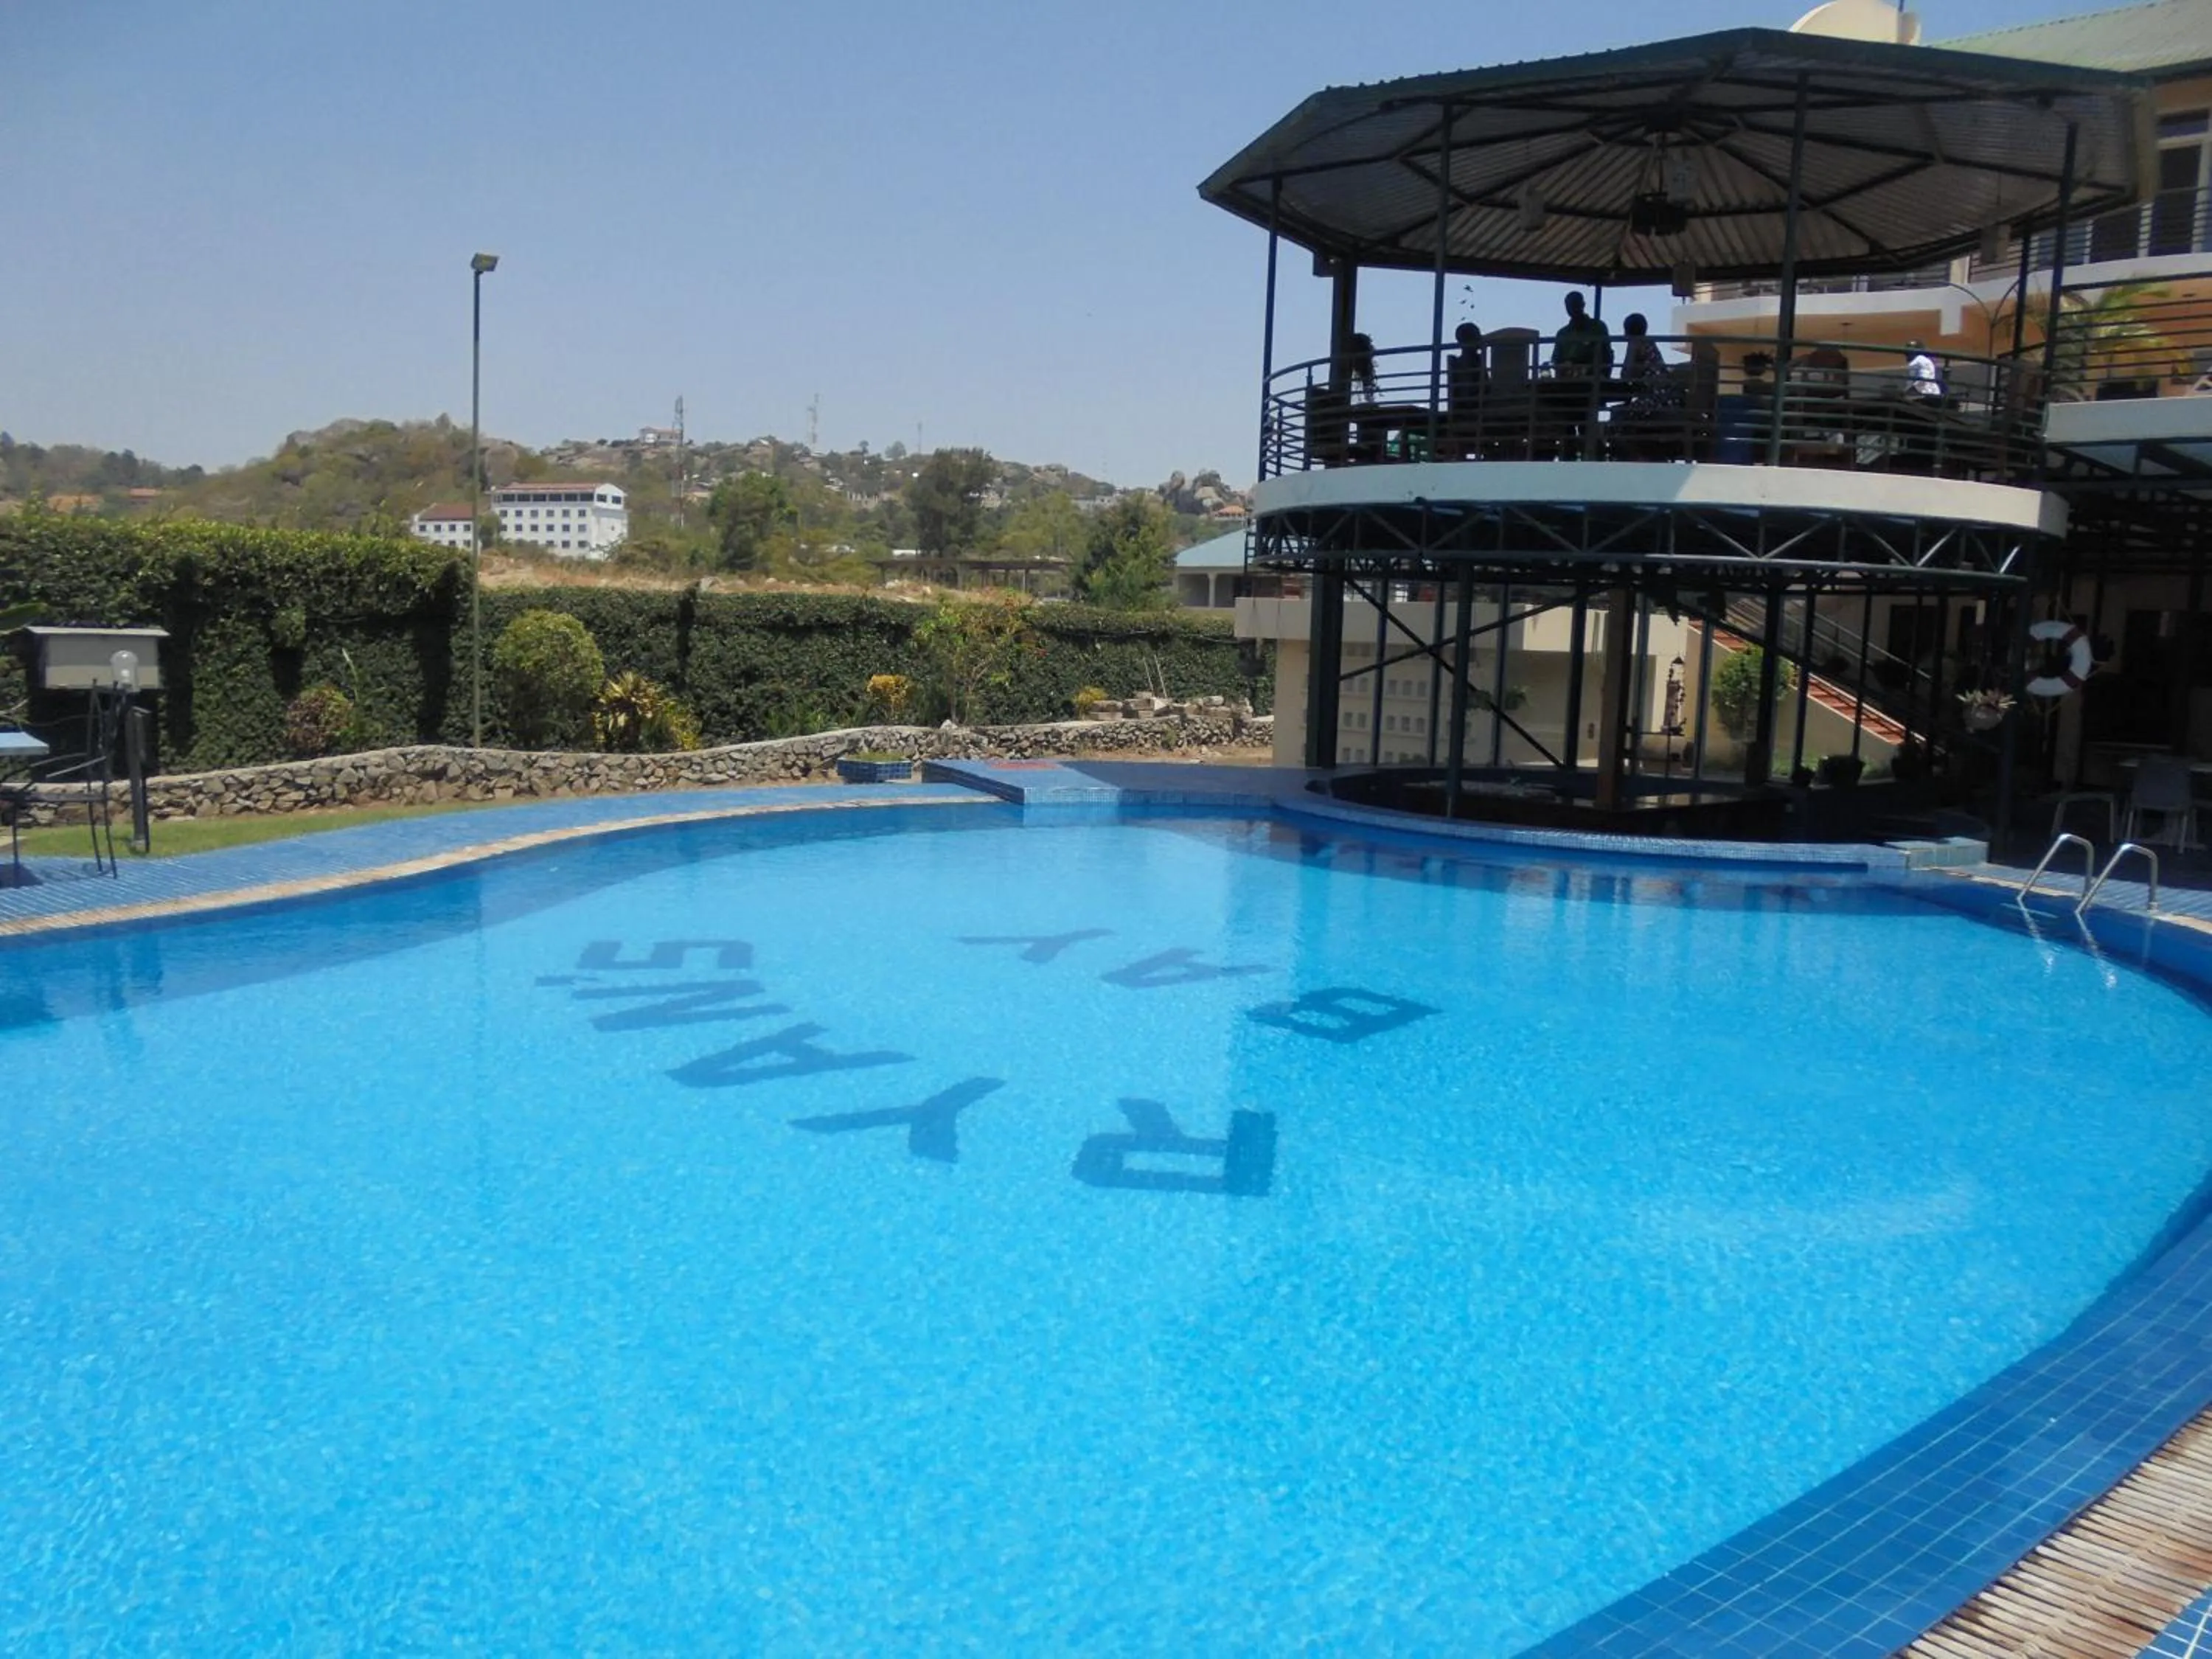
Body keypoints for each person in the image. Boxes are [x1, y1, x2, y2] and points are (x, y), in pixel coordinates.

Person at [1550, 291, 1613, 380]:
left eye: (1576, 304)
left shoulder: (1598, 328)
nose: (1573, 308)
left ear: (1583, 304)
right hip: (1567, 379)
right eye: (1569, 305)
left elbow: (1607, 356)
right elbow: (1556, 360)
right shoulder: (1562, 333)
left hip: (1592, 378)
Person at [1905, 339, 1945, 403]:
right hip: (1921, 395)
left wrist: (1908, 393)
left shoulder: (1922, 360)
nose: (1908, 353)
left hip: (1928, 397)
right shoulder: (1916, 361)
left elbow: (1923, 380)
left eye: (1911, 351)